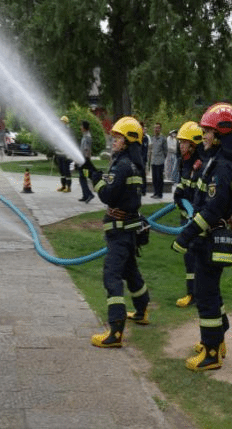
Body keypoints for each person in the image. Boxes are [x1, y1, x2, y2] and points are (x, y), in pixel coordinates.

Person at [171, 102, 232, 371]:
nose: (204, 136)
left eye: (208, 131)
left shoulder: (221, 166)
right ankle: (217, 339)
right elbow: (203, 200)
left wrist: (185, 236)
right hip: (208, 239)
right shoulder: (215, 161)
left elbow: (212, 210)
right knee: (210, 291)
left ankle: (211, 353)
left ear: (221, 134)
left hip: (211, 239)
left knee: (205, 294)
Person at [91, 116, 149, 349]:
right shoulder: (133, 164)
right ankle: (142, 310)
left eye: (118, 137)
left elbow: (108, 195)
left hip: (120, 232)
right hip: (128, 230)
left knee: (111, 275)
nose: (113, 140)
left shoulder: (122, 165)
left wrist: (96, 181)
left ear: (128, 141)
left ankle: (115, 330)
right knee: (130, 271)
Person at [172, 121, 204, 308]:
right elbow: (185, 183)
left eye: (184, 142)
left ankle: (194, 294)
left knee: (194, 255)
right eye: (180, 142)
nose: (180, 145)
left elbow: (198, 194)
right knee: (188, 256)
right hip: (187, 218)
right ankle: (193, 293)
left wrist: (188, 203)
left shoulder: (200, 165)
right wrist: (179, 192)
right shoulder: (185, 162)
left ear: (193, 145)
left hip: (196, 219)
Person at [77, 120, 95, 203]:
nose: (80, 127)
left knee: (83, 178)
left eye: (81, 126)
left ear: (84, 127)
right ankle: (85, 195)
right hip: (83, 160)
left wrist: (85, 160)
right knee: (82, 178)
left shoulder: (87, 137)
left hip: (84, 160)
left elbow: (87, 149)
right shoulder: (85, 136)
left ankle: (89, 194)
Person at [149, 122, 168, 198]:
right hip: (153, 161)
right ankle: (155, 192)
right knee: (154, 178)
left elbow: (165, 150)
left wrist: (163, 158)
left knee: (159, 178)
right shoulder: (152, 138)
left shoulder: (163, 138)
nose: (156, 129)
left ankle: (159, 194)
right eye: (155, 128)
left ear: (160, 129)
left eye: (158, 128)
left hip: (160, 161)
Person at [56, 115, 73, 192]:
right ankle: (63, 186)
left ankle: (68, 187)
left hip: (65, 155)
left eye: (62, 122)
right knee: (61, 171)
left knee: (66, 171)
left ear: (65, 122)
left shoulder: (67, 131)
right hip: (59, 154)